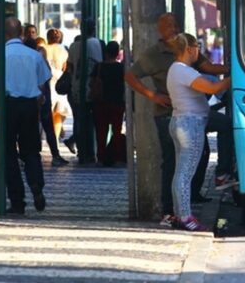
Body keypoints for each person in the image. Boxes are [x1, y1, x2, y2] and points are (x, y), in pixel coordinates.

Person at [125, 12, 230, 226]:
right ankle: (174, 212)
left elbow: (209, 67)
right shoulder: (162, 59)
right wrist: (153, 95)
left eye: (176, 24)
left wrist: (234, 67)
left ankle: (196, 195)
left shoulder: (183, 56)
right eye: (169, 25)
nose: (173, 28)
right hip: (176, 116)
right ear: (160, 30)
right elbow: (130, 75)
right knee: (175, 165)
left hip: (190, 115)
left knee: (214, 140)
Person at [165, 33, 231, 231]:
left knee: (180, 172)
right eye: (198, 48)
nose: (199, 52)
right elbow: (213, 87)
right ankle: (185, 216)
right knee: (185, 174)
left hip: (182, 121)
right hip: (190, 124)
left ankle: (179, 214)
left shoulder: (176, 69)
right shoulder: (183, 70)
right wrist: (235, 75)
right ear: (190, 49)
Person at [4, 17, 51, 214]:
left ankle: (17, 200)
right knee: (31, 150)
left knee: (8, 154)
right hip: (30, 106)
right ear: (21, 33)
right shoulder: (34, 55)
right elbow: (43, 81)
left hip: (8, 105)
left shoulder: (0, 54)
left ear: (4, 33)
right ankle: (36, 184)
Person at [64, 19, 102, 164]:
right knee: (92, 121)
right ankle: (92, 152)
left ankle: (82, 151)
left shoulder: (74, 46)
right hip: (94, 89)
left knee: (79, 120)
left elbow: (70, 67)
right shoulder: (98, 44)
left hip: (77, 88)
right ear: (94, 29)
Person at [33, 36, 68, 166]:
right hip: (42, 99)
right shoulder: (42, 64)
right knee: (45, 127)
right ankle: (53, 154)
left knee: (45, 128)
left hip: (42, 100)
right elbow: (44, 81)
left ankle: (51, 153)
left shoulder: (36, 61)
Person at [91, 41, 125, 166]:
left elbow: (92, 82)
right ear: (117, 53)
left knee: (101, 131)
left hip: (101, 102)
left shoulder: (99, 67)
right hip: (117, 103)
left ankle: (100, 158)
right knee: (117, 131)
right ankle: (117, 158)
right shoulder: (121, 68)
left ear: (105, 52)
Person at [45, 28, 70, 142]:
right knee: (59, 114)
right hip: (59, 82)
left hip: (47, 82)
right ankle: (55, 138)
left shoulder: (43, 49)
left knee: (47, 113)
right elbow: (66, 67)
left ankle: (49, 137)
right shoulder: (64, 50)